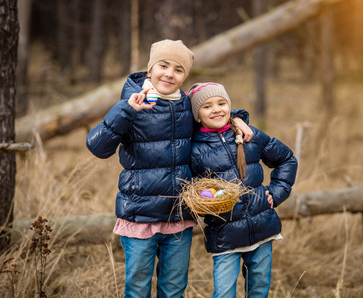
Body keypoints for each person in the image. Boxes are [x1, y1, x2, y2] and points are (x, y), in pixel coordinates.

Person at [86, 40, 252, 298]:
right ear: (150, 68)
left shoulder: (186, 105)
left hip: (178, 216)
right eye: (163, 65)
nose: (169, 74)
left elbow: (213, 112)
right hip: (140, 216)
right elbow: (98, 147)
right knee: (138, 290)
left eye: (178, 70)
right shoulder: (132, 102)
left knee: (174, 289)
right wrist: (127, 110)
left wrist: (237, 118)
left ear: (184, 76)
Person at [187, 82, 298, 298]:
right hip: (224, 235)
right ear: (197, 115)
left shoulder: (248, 135)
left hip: (262, 227)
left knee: (258, 289)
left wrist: (276, 193)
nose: (217, 109)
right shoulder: (193, 150)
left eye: (221, 103)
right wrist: (203, 204)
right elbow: (191, 189)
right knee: (224, 293)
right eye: (207, 106)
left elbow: (286, 159)